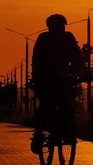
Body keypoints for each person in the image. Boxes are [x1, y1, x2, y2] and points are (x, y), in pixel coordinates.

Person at [30, 13, 87, 154]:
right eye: (57, 26)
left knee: (67, 103)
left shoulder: (68, 38)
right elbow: (36, 60)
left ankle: (68, 132)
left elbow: (77, 56)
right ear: (49, 27)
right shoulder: (43, 39)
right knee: (46, 105)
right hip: (44, 79)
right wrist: (37, 77)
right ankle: (38, 134)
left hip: (63, 78)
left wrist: (84, 72)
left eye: (62, 26)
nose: (60, 29)